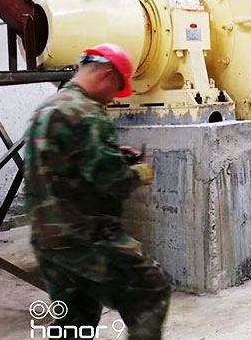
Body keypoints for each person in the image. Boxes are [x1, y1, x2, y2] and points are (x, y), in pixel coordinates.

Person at [24, 43, 171, 339]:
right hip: (87, 240)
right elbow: (112, 182)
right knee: (150, 291)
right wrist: (140, 173)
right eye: (116, 88)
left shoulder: (48, 108)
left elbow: (65, 163)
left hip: (48, 242)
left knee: (75, 322)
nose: (113, 97)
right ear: (106, 75)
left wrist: (113, 153)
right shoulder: (89, 115)